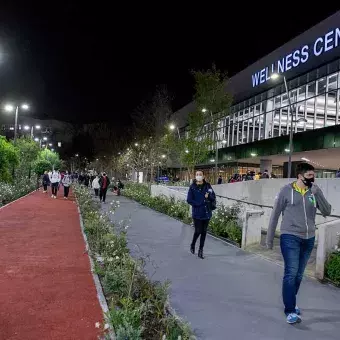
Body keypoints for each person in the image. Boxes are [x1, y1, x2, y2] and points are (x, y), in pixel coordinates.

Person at [266, 162, 331, 324]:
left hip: (308, 238)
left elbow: (327, 211)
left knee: (299, 275)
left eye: (313, 175)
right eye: (309, 175)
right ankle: (289, 310)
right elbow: (275, 215)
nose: (312, 178)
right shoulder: (286, 191)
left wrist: (318, 194)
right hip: (290, 236)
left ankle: (291, 302)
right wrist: (269, 239)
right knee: (291, 273)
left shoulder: (313, 191)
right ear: (300, 176)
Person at [187, 170, 216, 259]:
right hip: (197, 213)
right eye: (197, 174)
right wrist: (199, 203)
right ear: (195, 176)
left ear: (203, 176)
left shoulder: (208, 186)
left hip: (207, 212)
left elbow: (213, 197)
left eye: (200, 174)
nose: (198, 176)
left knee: (204, 232)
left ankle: (200, 250)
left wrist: (209, 197)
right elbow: (189, 200)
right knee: (198, 231)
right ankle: (193, 244)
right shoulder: (192, 187)